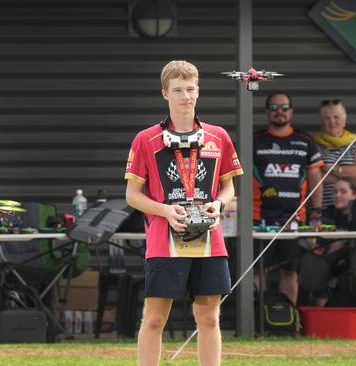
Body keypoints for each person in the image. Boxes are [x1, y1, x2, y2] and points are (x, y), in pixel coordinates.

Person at [125, 60, 243, 366]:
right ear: (165, 93)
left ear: (199, 90)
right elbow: (132, 196)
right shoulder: (145, 139)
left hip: (209, 240)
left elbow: (230, 190)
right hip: (164, 240)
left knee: (209, 318)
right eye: (177, 90)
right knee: (153, 319)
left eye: (190, 89)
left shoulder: (218, 136)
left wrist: (218, 204)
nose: (185, 96)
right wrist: (165, 210)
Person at [253, 92, 324, 305]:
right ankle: (259, 321)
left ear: (291, 111)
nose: (279, 112)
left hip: (294, 219)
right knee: (258, 271)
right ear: (267, 112)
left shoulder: (305, 141)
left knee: (290, 272)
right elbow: (240, 177)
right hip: (259, 219)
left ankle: (289, 322)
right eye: (274, 108)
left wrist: (316, 214)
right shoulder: (255, 140)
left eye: (284, 107)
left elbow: (315, 179)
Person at [305, 177, 356, 307]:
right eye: (334, 192)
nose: (337, 195)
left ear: (355, 195)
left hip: (354, 263)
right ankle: (323, 315)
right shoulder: (328, 212)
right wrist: (312, 240)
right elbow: (313, 231)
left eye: (343, 192)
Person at [315, 100, 356, 208]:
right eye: (327, 118)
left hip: (352, 209)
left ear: (344, 120)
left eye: (336, 117)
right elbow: (315, 178)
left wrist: (329, 169)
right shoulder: (314, 146)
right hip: (323, 208)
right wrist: (348, 177)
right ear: (322, 122)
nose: (332, 122)